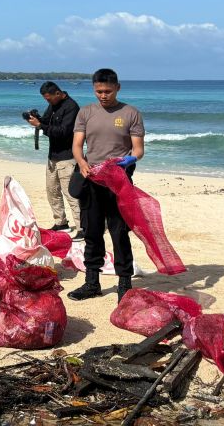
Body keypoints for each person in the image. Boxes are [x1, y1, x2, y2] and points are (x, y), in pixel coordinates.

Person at [68, 68, 145, 302]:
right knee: (91, 232)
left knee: (119, 232)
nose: (103, 95)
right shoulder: (86, 112)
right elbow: (77, 145)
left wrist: (130, 159)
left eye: (108, 91)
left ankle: (125, 284)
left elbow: (139, 149)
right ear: (94, 88)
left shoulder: (131, 113)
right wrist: (81, 163)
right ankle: (92, 283)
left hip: (118, 182)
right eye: (99, 91)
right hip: (91, 179)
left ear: (118, 88)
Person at [27, 82, 82, 235]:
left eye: (49, 99)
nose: (48, 102)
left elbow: (63, 132)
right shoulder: (54, 104)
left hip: (68, 157)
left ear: (58, 93)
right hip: (53, 157)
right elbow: (46, 121)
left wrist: (41, 125)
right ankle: (61, 222)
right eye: (46, 100)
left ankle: (82, 227)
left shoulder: (71, 107)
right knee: (52, 191)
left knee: (71, 194)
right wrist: (36, 119)